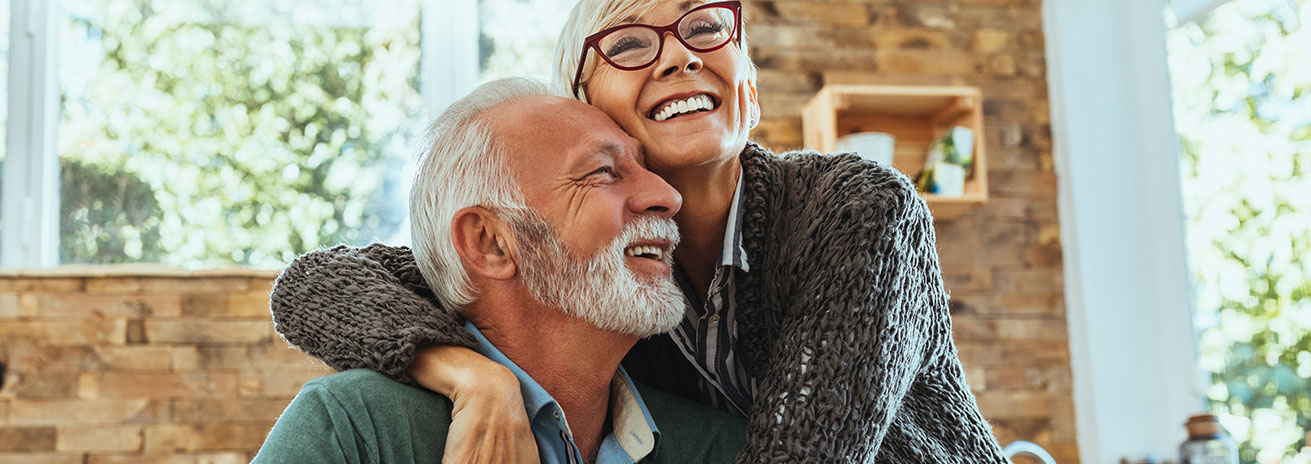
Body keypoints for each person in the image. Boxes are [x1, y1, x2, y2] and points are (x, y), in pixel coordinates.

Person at [268, 0, 1011, 462]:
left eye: (707, 25)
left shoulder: (852, 210)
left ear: (747, 83)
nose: (681, 52)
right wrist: (474, 376)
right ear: (585, 104)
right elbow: (320, 284)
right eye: (627, 42)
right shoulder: (607, 283)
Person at [254, 77, 746, 463]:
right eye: (603, 172)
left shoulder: (723, 448)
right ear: (489, 243)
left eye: (646, 168)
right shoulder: (354, 429)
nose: (667, 196)